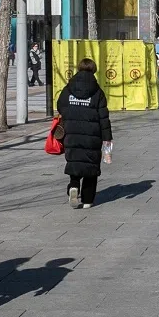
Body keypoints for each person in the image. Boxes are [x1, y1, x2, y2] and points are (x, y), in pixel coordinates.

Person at [57, 58, 112, 209]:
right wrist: (107, 138)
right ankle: (87, 200)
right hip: (92, 136)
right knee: (90, 168)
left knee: (74, 162)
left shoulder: (68, 89)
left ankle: (74, 186)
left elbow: (60, 106)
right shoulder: (97, 92)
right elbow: (103, 117)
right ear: (94, 70)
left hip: (72, 133)